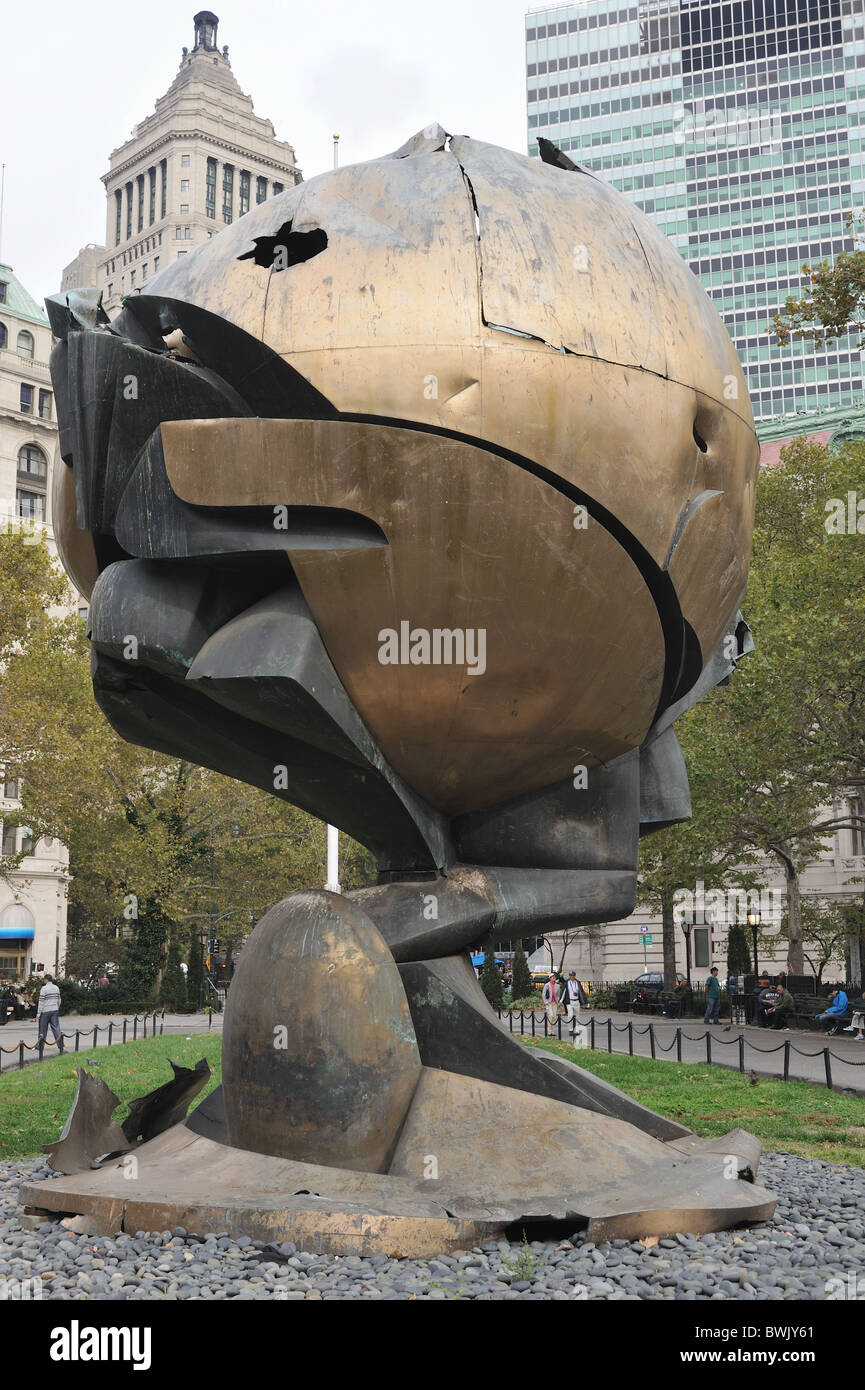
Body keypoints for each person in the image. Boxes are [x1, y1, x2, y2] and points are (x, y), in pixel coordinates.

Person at [36, 974, 63, 1054]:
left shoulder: (44, 988)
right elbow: (59, 999)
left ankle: (40, 1046)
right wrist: (57, 1007)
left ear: (46, 980)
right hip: (54, 1010)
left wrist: (38, 1013)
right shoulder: (56, 988)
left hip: (45, 1011)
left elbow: (41, 1002)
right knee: (56, 1028)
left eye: (44, 980)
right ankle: (60, 1045)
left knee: (42, 1030)